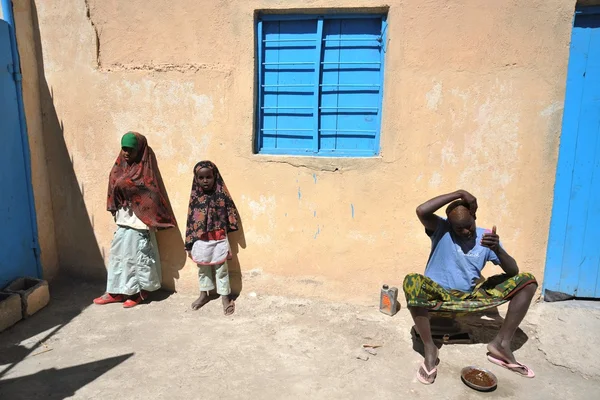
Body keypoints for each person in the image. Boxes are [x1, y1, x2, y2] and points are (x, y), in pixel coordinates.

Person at [404, 190, 538, 384]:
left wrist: (497, 249)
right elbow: (422, 210)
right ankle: (430, 348)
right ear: (450, 225)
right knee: (411, 280)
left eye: (469, 226)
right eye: (460, 229)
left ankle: (501, 344)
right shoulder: (441, 229)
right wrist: (459, 193)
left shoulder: (486, 237)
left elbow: (513, 271)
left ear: (474, 217)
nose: (466, 231)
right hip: (437, 296)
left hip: (469, 297)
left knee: (528, 281)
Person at [94, 132, 176, 308]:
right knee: (118, 256)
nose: (126, 153)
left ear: (139, 150)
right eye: (124, 148)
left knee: (138, 259)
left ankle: (139, 292)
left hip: (140, 223)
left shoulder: (145, 171)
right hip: (123, 219)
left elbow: (151, 193)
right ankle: (115, 292)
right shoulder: (120, 167)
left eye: (130, 149)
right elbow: (114, 186)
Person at [185, 161, 239, 316]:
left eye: (209, 177)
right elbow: (190, 221)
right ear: (196, 179)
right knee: (203, 269)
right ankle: (204, 294)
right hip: (201, 241)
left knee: (221, 270)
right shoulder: (195, 198)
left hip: (218, 239)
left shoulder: (221, 195)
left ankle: (225, 297)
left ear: (215, 176)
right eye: (201, 177)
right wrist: (188, 244)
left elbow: (230, 211)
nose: (205, 180)